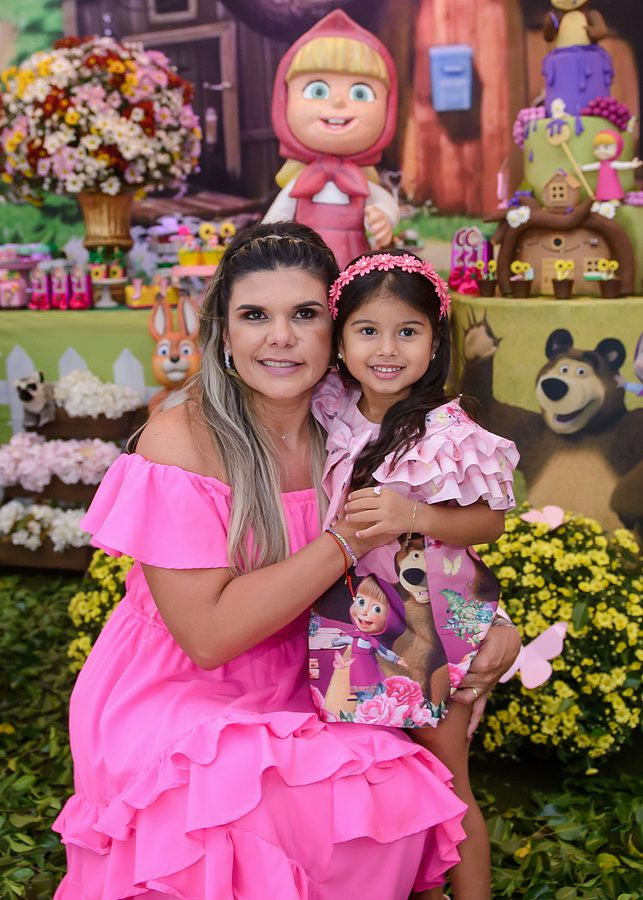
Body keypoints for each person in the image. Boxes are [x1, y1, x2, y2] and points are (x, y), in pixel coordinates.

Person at [52, 222, 517, 899]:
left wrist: (489, 624)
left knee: (388, 787)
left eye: (304, 314)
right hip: (179, 686)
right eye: (254, 316)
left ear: (337, 331)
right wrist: (344, 541)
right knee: (249, 796)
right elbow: (207, 638)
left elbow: (426, 542)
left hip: (319, 668)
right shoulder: (182, 440)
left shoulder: (355, 425)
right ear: (222, 332)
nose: (280, 337)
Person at [309, 248, 520, 900]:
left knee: (446, 775)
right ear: (339, 339)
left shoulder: (445, 428)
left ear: (435, 340)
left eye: (407, 331)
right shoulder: (331, 409)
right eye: (367, 330)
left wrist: (415, 514)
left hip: (431, 622)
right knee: (386, 776)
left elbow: (488, 523)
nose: (386, 349)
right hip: (353, 619)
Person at [263, 9, 399, 268]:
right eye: (318, 90)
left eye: (360, 93)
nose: (338, 101)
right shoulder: (299, 186)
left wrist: (384, 218)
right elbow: (273, 223)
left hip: (354, 263)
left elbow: (385, 204)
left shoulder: (361, 185)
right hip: (305, 267)